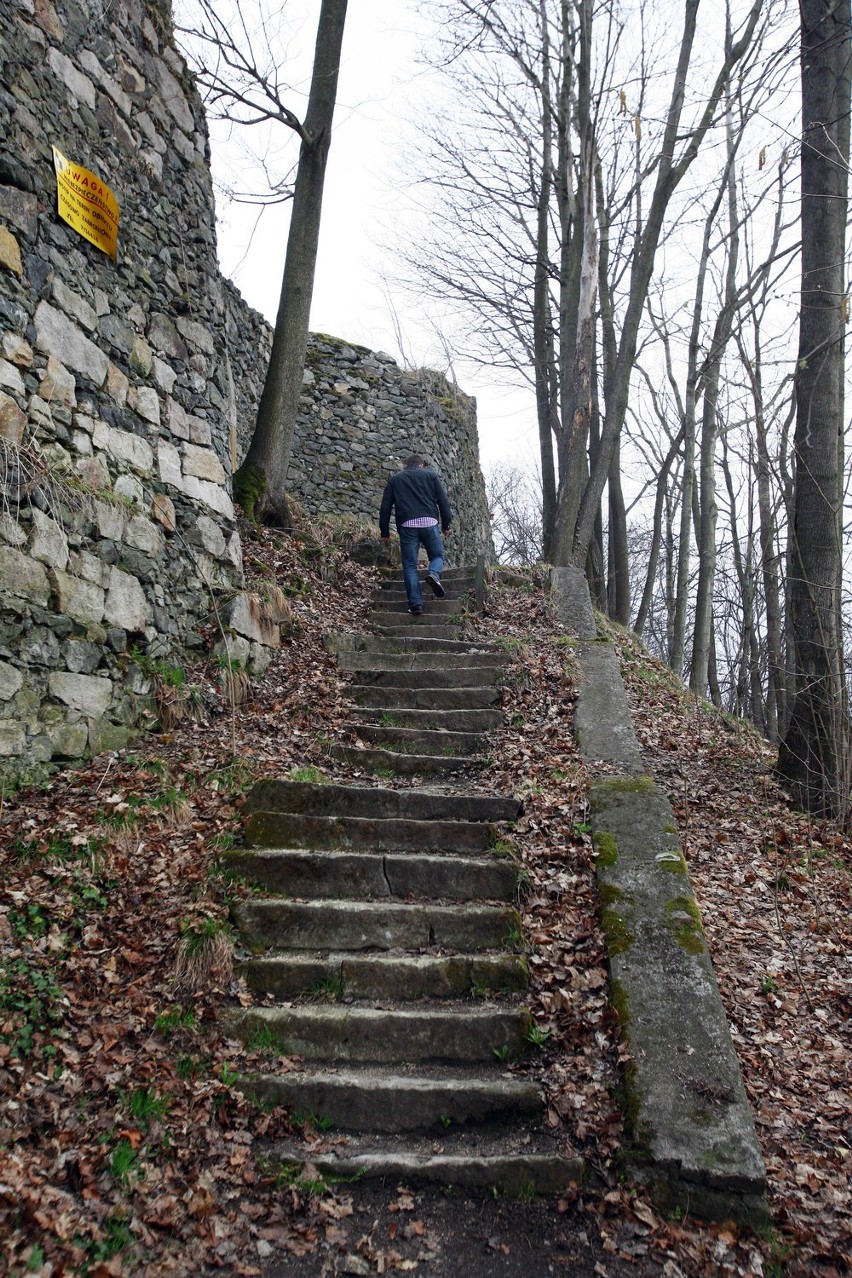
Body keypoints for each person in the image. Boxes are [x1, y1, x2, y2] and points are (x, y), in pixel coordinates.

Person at [379, 454, 452, 614]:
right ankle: (433, 574)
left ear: (407, 465)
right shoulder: (431, 475)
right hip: (429, 523)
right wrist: (446, 525)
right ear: (421, 465)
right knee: (437, 556)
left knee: (410, 565)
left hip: (407, 526)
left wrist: (384, 532)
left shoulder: (396, 479)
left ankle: (415, 604)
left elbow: (385, 506)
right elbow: (443, 501)